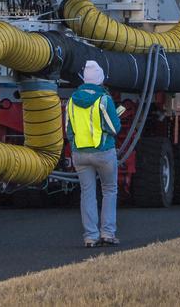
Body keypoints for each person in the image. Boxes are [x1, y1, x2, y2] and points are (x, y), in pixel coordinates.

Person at [67, 60, 123, 248]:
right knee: (109, 190)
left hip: (80, 154)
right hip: (103, 151)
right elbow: (115, 128)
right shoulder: (104, 100)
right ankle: (107, 233)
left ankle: (90, 236)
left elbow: (68, 129)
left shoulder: (71, 101)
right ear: (100, 80)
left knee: (87, 193)